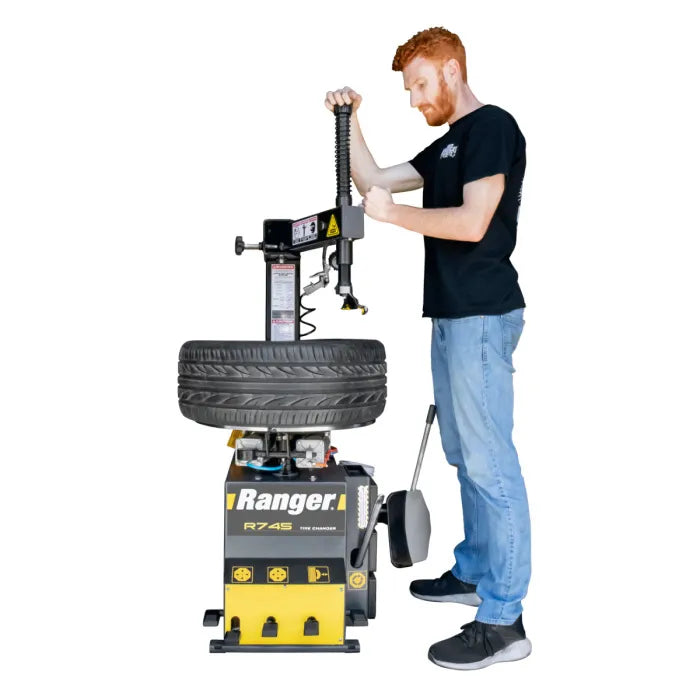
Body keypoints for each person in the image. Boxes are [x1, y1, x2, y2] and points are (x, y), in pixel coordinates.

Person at [324, 26, 531, 670]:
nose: (415, 99)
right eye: (408, 89)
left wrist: (393, 216)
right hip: (451, 315)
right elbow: (372, 179)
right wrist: (349, 119)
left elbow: (471, 222)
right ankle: (475, 572)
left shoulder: (491, 128)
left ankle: (504, 620)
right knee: (465, 456)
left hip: (482, 315)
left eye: (419, 84)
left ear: (451, 70)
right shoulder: (448, 144)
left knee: (491, 463)